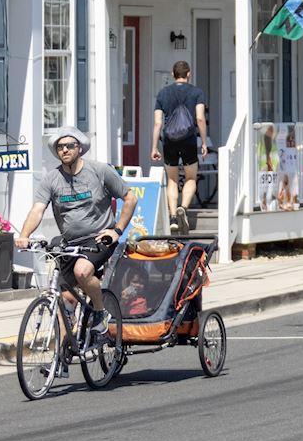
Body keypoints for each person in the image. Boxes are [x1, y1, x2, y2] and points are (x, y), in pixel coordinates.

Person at [16, 128, 138, 344]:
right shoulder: (51, 179)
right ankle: (62, 355)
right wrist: (24, 234)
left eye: (70, 146)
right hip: (69, 243)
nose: (65, 150)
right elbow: (37, 210)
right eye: (60, 147)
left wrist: (116, 231)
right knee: (65, 300)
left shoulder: (100, 171)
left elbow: (130, 198)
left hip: (99, 238)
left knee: (82, 272)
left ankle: (100, 313)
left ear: (79, 148)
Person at [152, 60, 210, 233]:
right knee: (191, 177)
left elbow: (157, 123)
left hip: (169, 140)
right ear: (189, 74)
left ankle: (172, 217)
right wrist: (204, 142)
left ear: (173, 74)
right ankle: (183, 208)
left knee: (172, 180)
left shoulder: (163, 93)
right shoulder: (197, 93)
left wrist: (154, 147)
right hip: (188, 140)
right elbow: (200, 118)